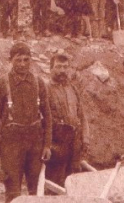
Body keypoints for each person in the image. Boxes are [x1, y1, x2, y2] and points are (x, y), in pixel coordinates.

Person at [0, 42, 52, 202]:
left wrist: (47, 145)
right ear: (11, 61)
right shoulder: (2, 84)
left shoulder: (38, 82)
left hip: (35, 143)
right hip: (11, 144)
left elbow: (48, 116)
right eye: (18, 60)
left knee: (35, 190)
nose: (23, 64)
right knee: (13, 192)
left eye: (26, 60)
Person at [47, 52, 89, 186]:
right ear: (51, 69)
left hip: (74, 146)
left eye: (65, 67)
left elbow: (82, 115)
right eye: (58, 67)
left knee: (74, 184)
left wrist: (85, 138)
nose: (62, 71)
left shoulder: (72, 89)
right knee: (55, 185)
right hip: (56, 148)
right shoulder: (45, 90)